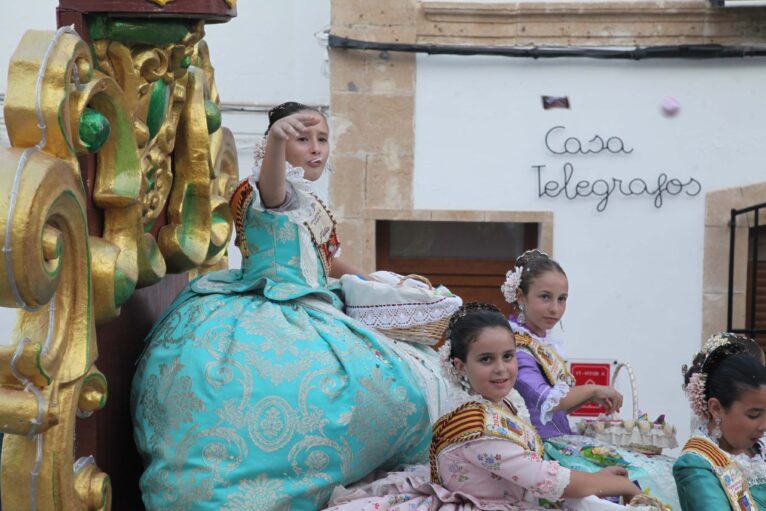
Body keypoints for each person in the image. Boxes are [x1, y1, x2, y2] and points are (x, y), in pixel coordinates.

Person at [131, 102, 443, 511]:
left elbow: (325, 260)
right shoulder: (270, 190)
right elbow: (272, 188)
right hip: (268, 306)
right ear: (276, 144)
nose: (316, 149)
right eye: (303, 138)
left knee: (399, 379)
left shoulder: (310, 202)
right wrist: (277, 140)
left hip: (314, 304)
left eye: (323, 139)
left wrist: (373, 281)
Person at [324, 303, 669, 510]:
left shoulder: (503, 402)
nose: (502, 369)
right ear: (461, 367)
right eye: (486, 360)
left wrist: (596, 479)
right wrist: (618, 486)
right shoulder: (477, 426)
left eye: (508, 357)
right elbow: (549, 480)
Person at [501, 250, 678, 509]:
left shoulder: (541, 343)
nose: (555, 308)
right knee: (638, 475)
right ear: (520, 296)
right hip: (543, 448)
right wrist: (593, 388)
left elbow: (553, 408)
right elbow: (542, 398)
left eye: (562, 299)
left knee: (655, 469)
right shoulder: (518, 346)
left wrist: (591, 395)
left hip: (562, 439)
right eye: (545, 297)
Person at [674, 332, 766, 510]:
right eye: (754, 415)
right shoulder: (698, 464)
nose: (763, 426)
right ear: (716, 408)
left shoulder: (759, 449)